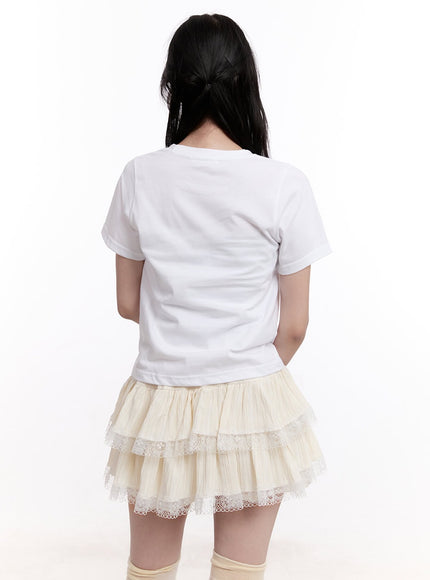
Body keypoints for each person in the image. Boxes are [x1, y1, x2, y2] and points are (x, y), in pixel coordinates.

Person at [101, 12, 333, 580]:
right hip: (253, 395)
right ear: (245, 82)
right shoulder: (283, 184)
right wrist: (243, 368)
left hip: (160, 396)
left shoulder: (140, 176)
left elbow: (128, 303)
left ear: (173, 85)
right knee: (238, 572)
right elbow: (295, 326)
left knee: (149, 572)